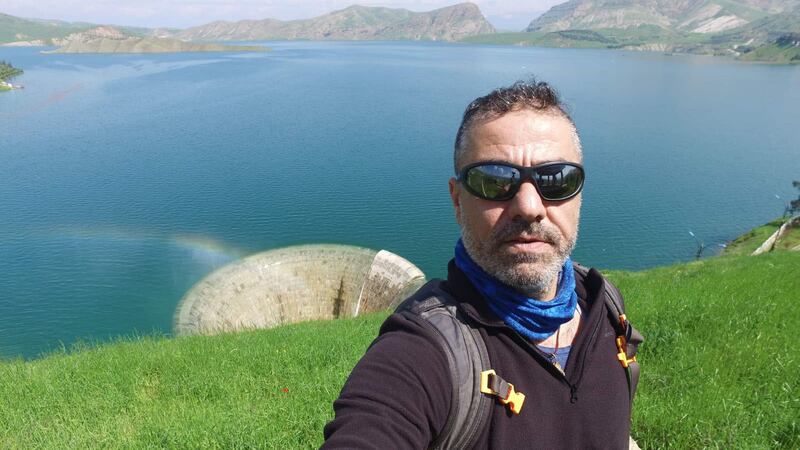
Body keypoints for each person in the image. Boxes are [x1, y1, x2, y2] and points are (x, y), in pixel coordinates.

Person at [322, 80, 641, 449]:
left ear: (579, 196)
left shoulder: (604, 307)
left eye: (556, 180)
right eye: (494, 181)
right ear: (457, 201)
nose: (529, 207)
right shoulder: (426, 354)